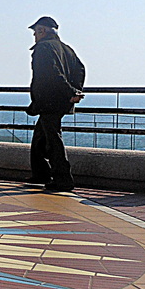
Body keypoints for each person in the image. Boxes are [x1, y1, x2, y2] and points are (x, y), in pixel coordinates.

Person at [26, 16, 85, 192]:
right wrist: (74, 90)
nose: (35, 36)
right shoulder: (67, 49)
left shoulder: (43, 48)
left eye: (36, 32)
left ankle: (63, 179)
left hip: (49, 101)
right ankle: (41, 174)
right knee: (40, 137)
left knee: (53, 139)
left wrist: (71, 92)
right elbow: (80, 69)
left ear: (42, 31)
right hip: (60, 101)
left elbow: (52, 73)